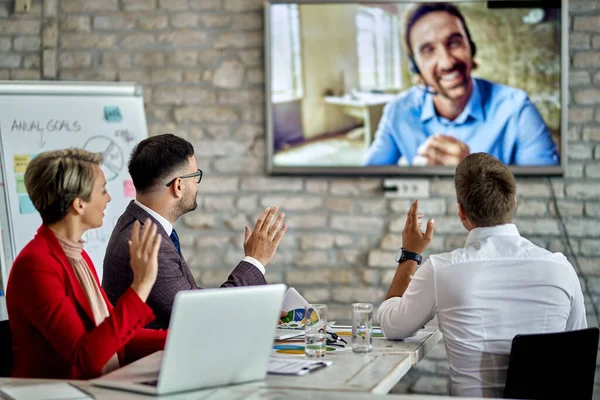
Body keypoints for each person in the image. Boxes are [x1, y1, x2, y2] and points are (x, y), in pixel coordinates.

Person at [377, 153, 586, 397]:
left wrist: (410, 254)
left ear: (462, 213)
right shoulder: (561, 269)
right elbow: (577, 354)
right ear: (514, 201)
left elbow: (392, 326)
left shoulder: (441, 271)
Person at [6, 149, 166, 379]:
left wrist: (180, 338)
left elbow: (116, 336)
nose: (108, 198)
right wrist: (140, 286)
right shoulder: (35, 266)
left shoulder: (77, 256)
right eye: (102, 190)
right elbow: (87, 356)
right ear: (79, 204)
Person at [102, 134, 287, 330]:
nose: (197, 184)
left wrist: (256, 313)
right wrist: (255, 260)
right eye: (195, 176)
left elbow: (191, 298)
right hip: (154, 358)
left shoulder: (138, 223)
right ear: (179, 185)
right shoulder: (147, 240)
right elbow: (200, 315)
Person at [363, 2, 559, 167]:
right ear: (416, 67)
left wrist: (474, 175)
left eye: (455, 43)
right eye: (428, 50)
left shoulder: (517, 109)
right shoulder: (398, 111)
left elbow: (547, 193)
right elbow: (365, 184)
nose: (447, 62)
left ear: (470, 47)